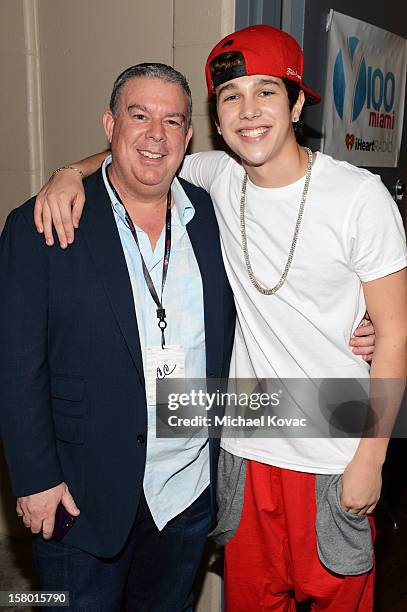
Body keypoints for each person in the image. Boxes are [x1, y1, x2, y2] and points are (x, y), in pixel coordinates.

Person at [32, 26, 400, 611]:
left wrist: (370, 460)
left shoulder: (360, 197)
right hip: (245, 450)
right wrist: (66, 173)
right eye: (231, 96)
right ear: (216, 114)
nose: (248, 112)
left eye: (266, 93)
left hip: (334, 452)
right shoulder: (214, 177)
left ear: (299, 103)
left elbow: (396, 332)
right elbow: (140, 152)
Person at [0, 63, 236, 611]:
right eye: (139, 115)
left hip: (186, 493)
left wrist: (360, 326)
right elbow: (16, 364)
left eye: (172, 120)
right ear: (110, 125)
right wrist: (35, 480)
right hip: (78, 498)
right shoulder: (43, 224)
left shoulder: (211, 218)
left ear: (187, 136)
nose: (156, 134)